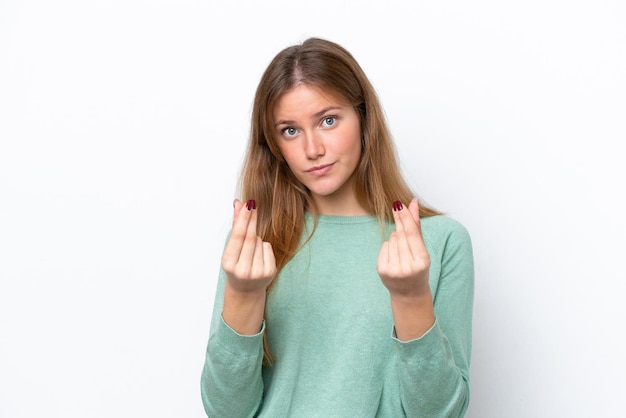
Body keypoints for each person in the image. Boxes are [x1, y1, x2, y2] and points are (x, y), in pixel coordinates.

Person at [200, 37, 474, 417]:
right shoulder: (253, 245)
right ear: (274, 144)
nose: (313, 149)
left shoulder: (441, 242)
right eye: (290, 130)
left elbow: (440, 412)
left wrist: (411, 296)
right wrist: (243, 294)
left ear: (363, 118)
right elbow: (226, 411)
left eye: (328, 121)